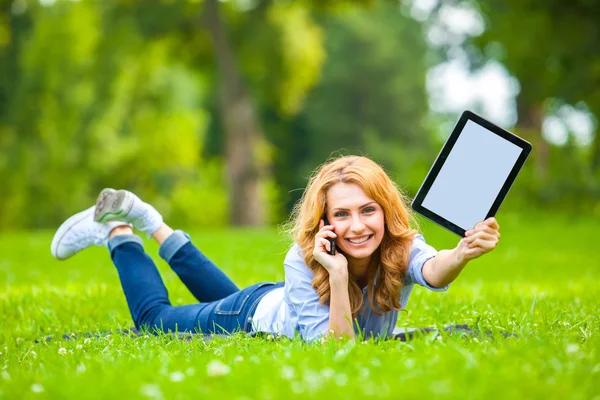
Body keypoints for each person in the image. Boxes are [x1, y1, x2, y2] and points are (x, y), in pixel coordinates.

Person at [51, 155, 500, 342]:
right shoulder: (305, 259)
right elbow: (337, 347)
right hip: (247, 315)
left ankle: (155, 223)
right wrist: (339, 275)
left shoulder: (402, 246)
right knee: (153, 322)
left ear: (385, 210)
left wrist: (461, 253)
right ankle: (121, 233)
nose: (358, 226)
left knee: (220, 294)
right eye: (341, 214)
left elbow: (435, 269)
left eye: (368, 211)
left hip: (273, 302)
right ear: (324, 220)